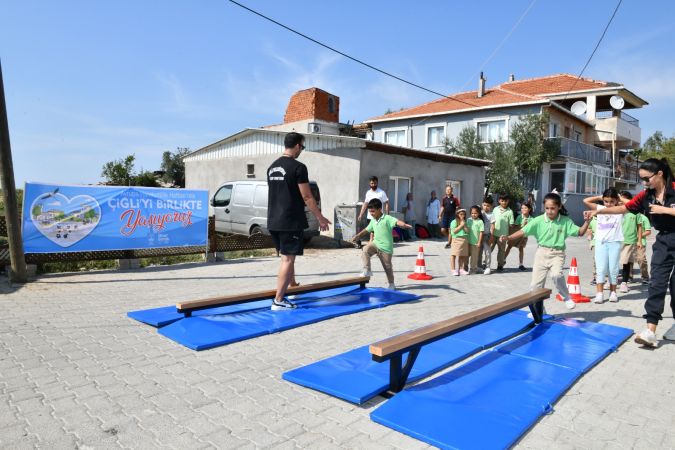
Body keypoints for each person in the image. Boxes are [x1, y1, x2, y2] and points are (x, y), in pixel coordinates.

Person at [585, 158, 675, 347]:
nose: (644, 183)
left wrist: (665, 210)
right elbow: (624, 208)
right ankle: (650, 331)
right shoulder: (645, 196)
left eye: (646, 179)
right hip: (664, 242)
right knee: (657, 284)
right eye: (641, 179)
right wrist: (600, 212)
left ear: (659, 174)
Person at [267, 132, 331, 311]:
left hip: (273, 220)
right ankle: (279, 300)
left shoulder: (272, 167)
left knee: (287, 255)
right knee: (287, 259)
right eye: (302, 147)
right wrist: (320, 217)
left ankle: (292, 285)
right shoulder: (299, 167)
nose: (302, 150)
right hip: (290, 220)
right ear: (296, 146)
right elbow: (307, 196)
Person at [502, 192, 591, 310]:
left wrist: (587, 222)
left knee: (557, 275)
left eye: (553, 208)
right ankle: (540, 311)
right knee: (535, 285)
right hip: (541, 253)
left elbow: (580, 233)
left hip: (557, 254)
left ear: (559, 207)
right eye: (547, 208)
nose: (549, 211)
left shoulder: (565, 221)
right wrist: (508, 237)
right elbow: (523, 231)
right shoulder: (538, 220)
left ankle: (566, 297)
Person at [351, 198, 412, 290]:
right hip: (375, 244)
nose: (371, 214)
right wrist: (357, 236)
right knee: (365, 249)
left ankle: (391, 284)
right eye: (370, 212)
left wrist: (403, 224)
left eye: (373, 211)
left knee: (387, 268)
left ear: (380, 209)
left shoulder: (387, 218)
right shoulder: (373, 220)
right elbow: (366, 230)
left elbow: (396, 222)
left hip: (386, 248)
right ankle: (367, 270)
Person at [583, 188, 624, 304]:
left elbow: (631, 203)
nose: (609, 204)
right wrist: (599, 197)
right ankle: (599, 294)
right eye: (606, 201)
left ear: (616, 200)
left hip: (615, 242)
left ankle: (613, 292)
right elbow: (586, 200)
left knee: (613, 269)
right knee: (600, 269)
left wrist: (620, 198)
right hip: (600, 242)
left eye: (612, 201)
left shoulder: (620, 210)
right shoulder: (600, 208)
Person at [619, 191, 638, 292]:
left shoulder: (634, 212)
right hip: (616, 240)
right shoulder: (616, 210)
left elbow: (639, 226)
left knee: (626, 262)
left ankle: (624, 282)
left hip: (629, 241)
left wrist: (639, 240)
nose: (621, 202)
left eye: (624, 199)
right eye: (620, 199)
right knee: (612, 262)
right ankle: (610, 281)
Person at [505, 202, 532, 271]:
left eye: (525, 208)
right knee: (509, 246)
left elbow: (532, 228)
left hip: (524, 236)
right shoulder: (519, 217)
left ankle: (521, 264)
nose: (523, 209)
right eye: (522, 208)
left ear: (529, 209)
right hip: (517, 234)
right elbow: (516, 226)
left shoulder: (532, 219)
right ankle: (503, 260)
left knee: (521, 248)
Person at [492, 194, 514, 272]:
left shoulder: (510, 211)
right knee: (489, 248)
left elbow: (511, 224)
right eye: (502, 201)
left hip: (503, 235)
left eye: (505, 201)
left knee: (501, 251)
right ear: (499, 201)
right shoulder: (495, 209)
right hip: (493, 233)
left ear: (508, 201)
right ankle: (485, 263)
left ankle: (500, 265)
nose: (504, 202)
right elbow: (492, 220)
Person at [449, 209, 469, 275]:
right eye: (461, 214)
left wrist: (464, 225)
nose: (462, 216)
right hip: (456, 239)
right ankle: (453, 269)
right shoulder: (454, 222)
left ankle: (461, 269)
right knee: (454, 254)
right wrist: (461, 225)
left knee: (462, 255)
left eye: (464, 214)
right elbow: (454, 231)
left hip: (464, 239)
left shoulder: (465, 221)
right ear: (457, 214)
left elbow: (467, 231)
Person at [480, 196, 496, 275]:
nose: (486, 207)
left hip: (487, 236)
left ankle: (488, 267)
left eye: (488, 206)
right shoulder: (480, 213)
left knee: (487, 252)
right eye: (484, 205)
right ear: (482, 204)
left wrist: (492, 237)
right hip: (479, 236)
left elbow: (493, 226)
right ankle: (478, 266)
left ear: (491, 206)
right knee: (478, 252)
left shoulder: (491, 214)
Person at [467, 205, 484, 274]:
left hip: (475, 243)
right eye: (472, 213)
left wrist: (479, 242)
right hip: (468, 242)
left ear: (479, 213)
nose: (473, 215)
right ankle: (464, 268)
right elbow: (467, 230)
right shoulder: (469, 220)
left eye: (475, 213)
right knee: (466, 256)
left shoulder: (480, 222)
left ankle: (473, 269)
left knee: (474, 257)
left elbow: (481, 233)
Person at [636, 212, 652, 284]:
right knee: (629, 260)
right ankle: (628, 277)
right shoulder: (627, 216)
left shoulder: (644, 218)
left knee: (641, 259)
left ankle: (645, 277)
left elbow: (648, 231)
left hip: (641, 242)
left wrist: (638, 236)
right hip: (629, 242)